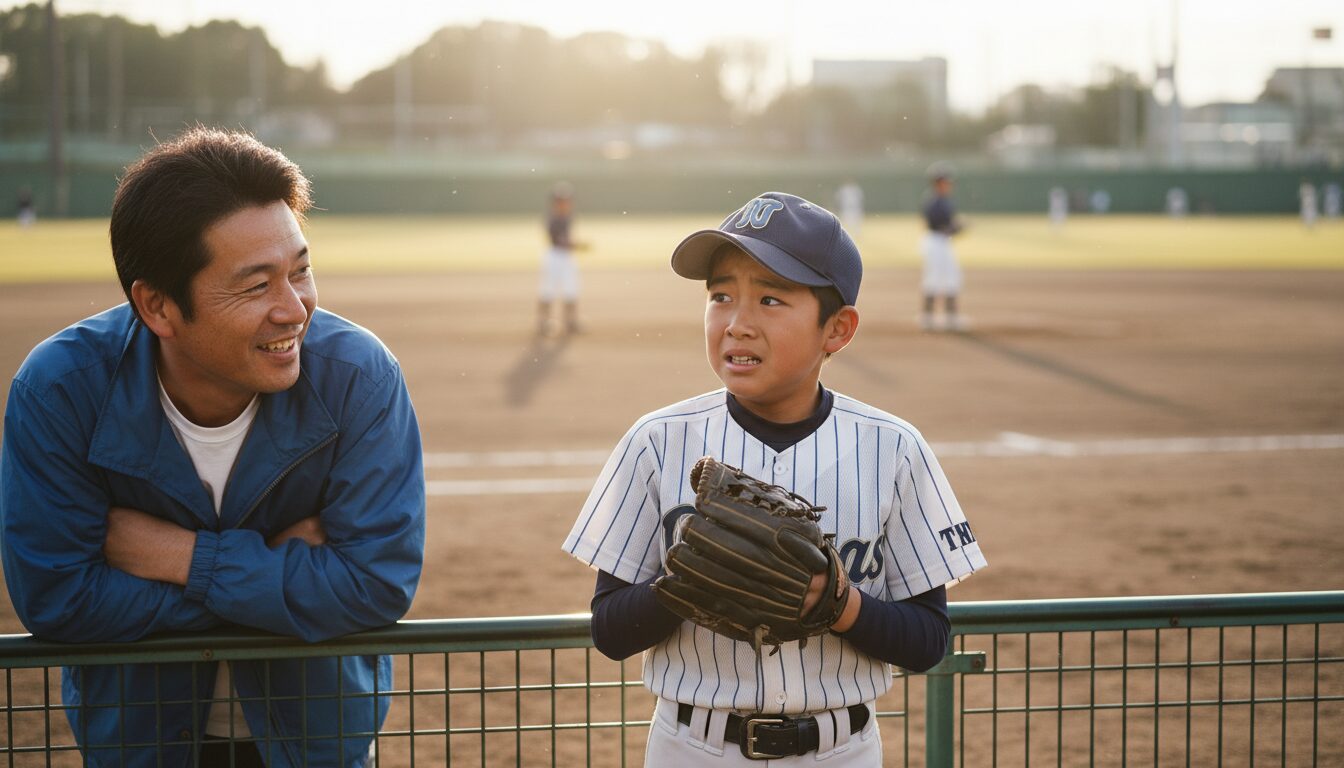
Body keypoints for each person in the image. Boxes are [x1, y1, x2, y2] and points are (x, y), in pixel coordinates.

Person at [0, 127, 427, 767]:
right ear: (158, 306)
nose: (294, 309)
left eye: (301, 271)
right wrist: (280, 577)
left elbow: (374, 584)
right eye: (256, 286)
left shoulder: (359, 377)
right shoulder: (61, 390)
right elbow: (58, 599)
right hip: (140, 748)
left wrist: (178, 556)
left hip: (317, 748)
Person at [563, 192, 986, 766]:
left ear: (836, 329)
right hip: (693, 748)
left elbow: (928, 640)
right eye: (720, 296)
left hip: (841, 751)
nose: (738, 323)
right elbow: (610, 631)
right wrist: (686, 586)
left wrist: (840, 604)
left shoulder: (893, 450)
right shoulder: (657, 442)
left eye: (769, 298)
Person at [919, 165, 966, 332]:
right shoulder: (935, 202)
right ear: (938, 183)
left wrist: (955, 228)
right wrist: (957, 227)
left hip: (942, 242)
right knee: (933, 279)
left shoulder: (942, 201)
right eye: (946, 181)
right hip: (935, 242)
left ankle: (950, 317)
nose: (949, 185)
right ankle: (928, 318)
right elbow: (938, 226)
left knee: (952, 277)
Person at [537, 181, 585, 335]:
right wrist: (575, 245)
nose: (565, 203)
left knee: (572, 290)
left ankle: (571, 322)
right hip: (554, 256)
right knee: (548, 290)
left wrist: (573, 246)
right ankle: (543, 322)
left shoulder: (568, 217)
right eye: (561, 201)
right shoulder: (552, 218)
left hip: (567, 258)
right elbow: (556, 241)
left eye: (567, 200)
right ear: (555, 202)